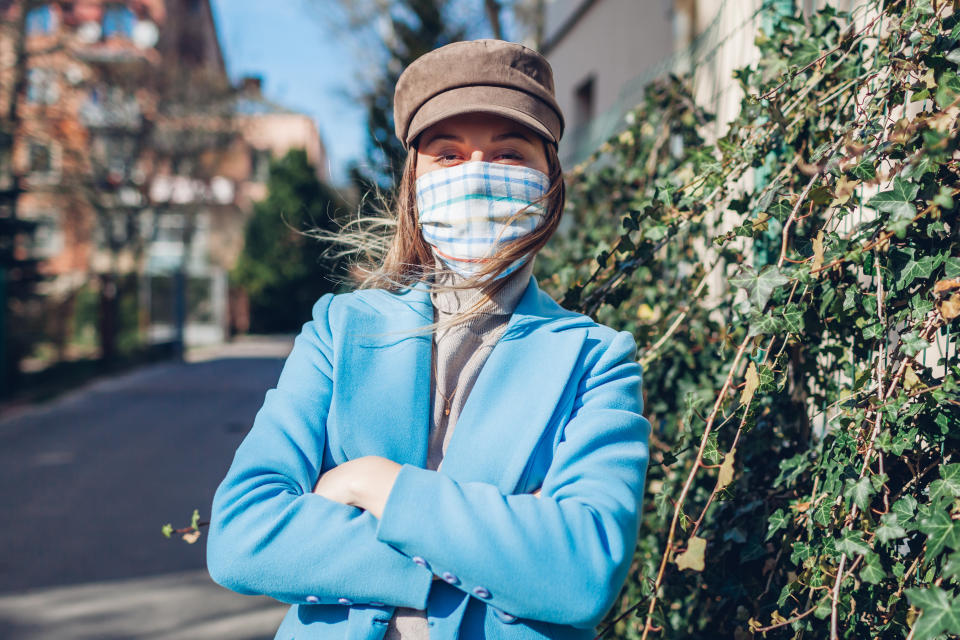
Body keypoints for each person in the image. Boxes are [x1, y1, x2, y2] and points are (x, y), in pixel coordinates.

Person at [206, 39, 652, 640]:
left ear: (549, 181)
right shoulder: (341, 329)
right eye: (448, 154)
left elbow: (580, 572)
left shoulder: (594, 357)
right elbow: (242, 536)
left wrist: (372, 482)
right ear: (414, 182)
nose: (477, 175)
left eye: (508, 153)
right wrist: (503, 545)